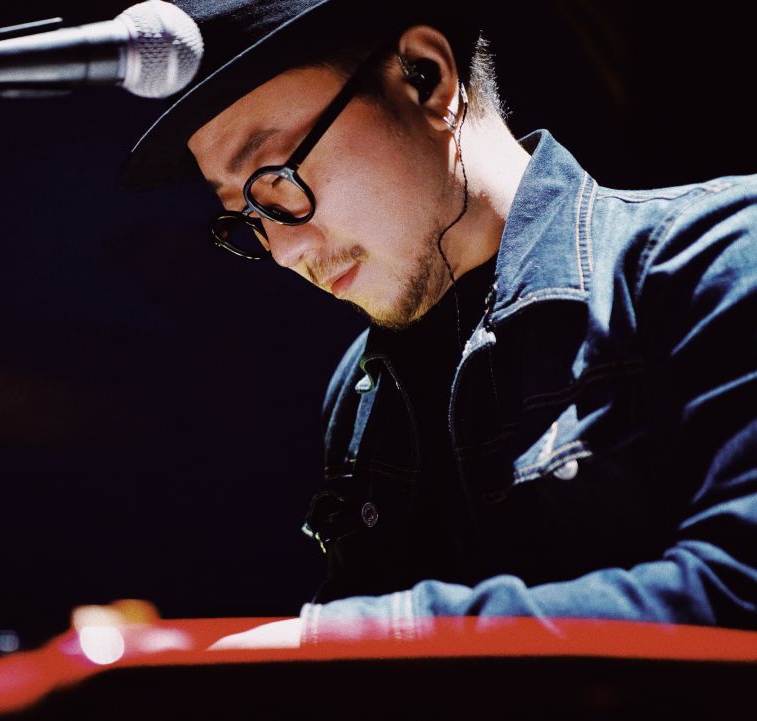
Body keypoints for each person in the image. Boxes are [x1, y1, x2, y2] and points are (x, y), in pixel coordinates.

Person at [120, 0, 757, 647]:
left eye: (279, 180)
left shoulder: (712, 257)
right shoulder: (360, 388)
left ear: (427, 78)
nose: (284, 251)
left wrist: (347, 640)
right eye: (247, 217)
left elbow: (738, 593)